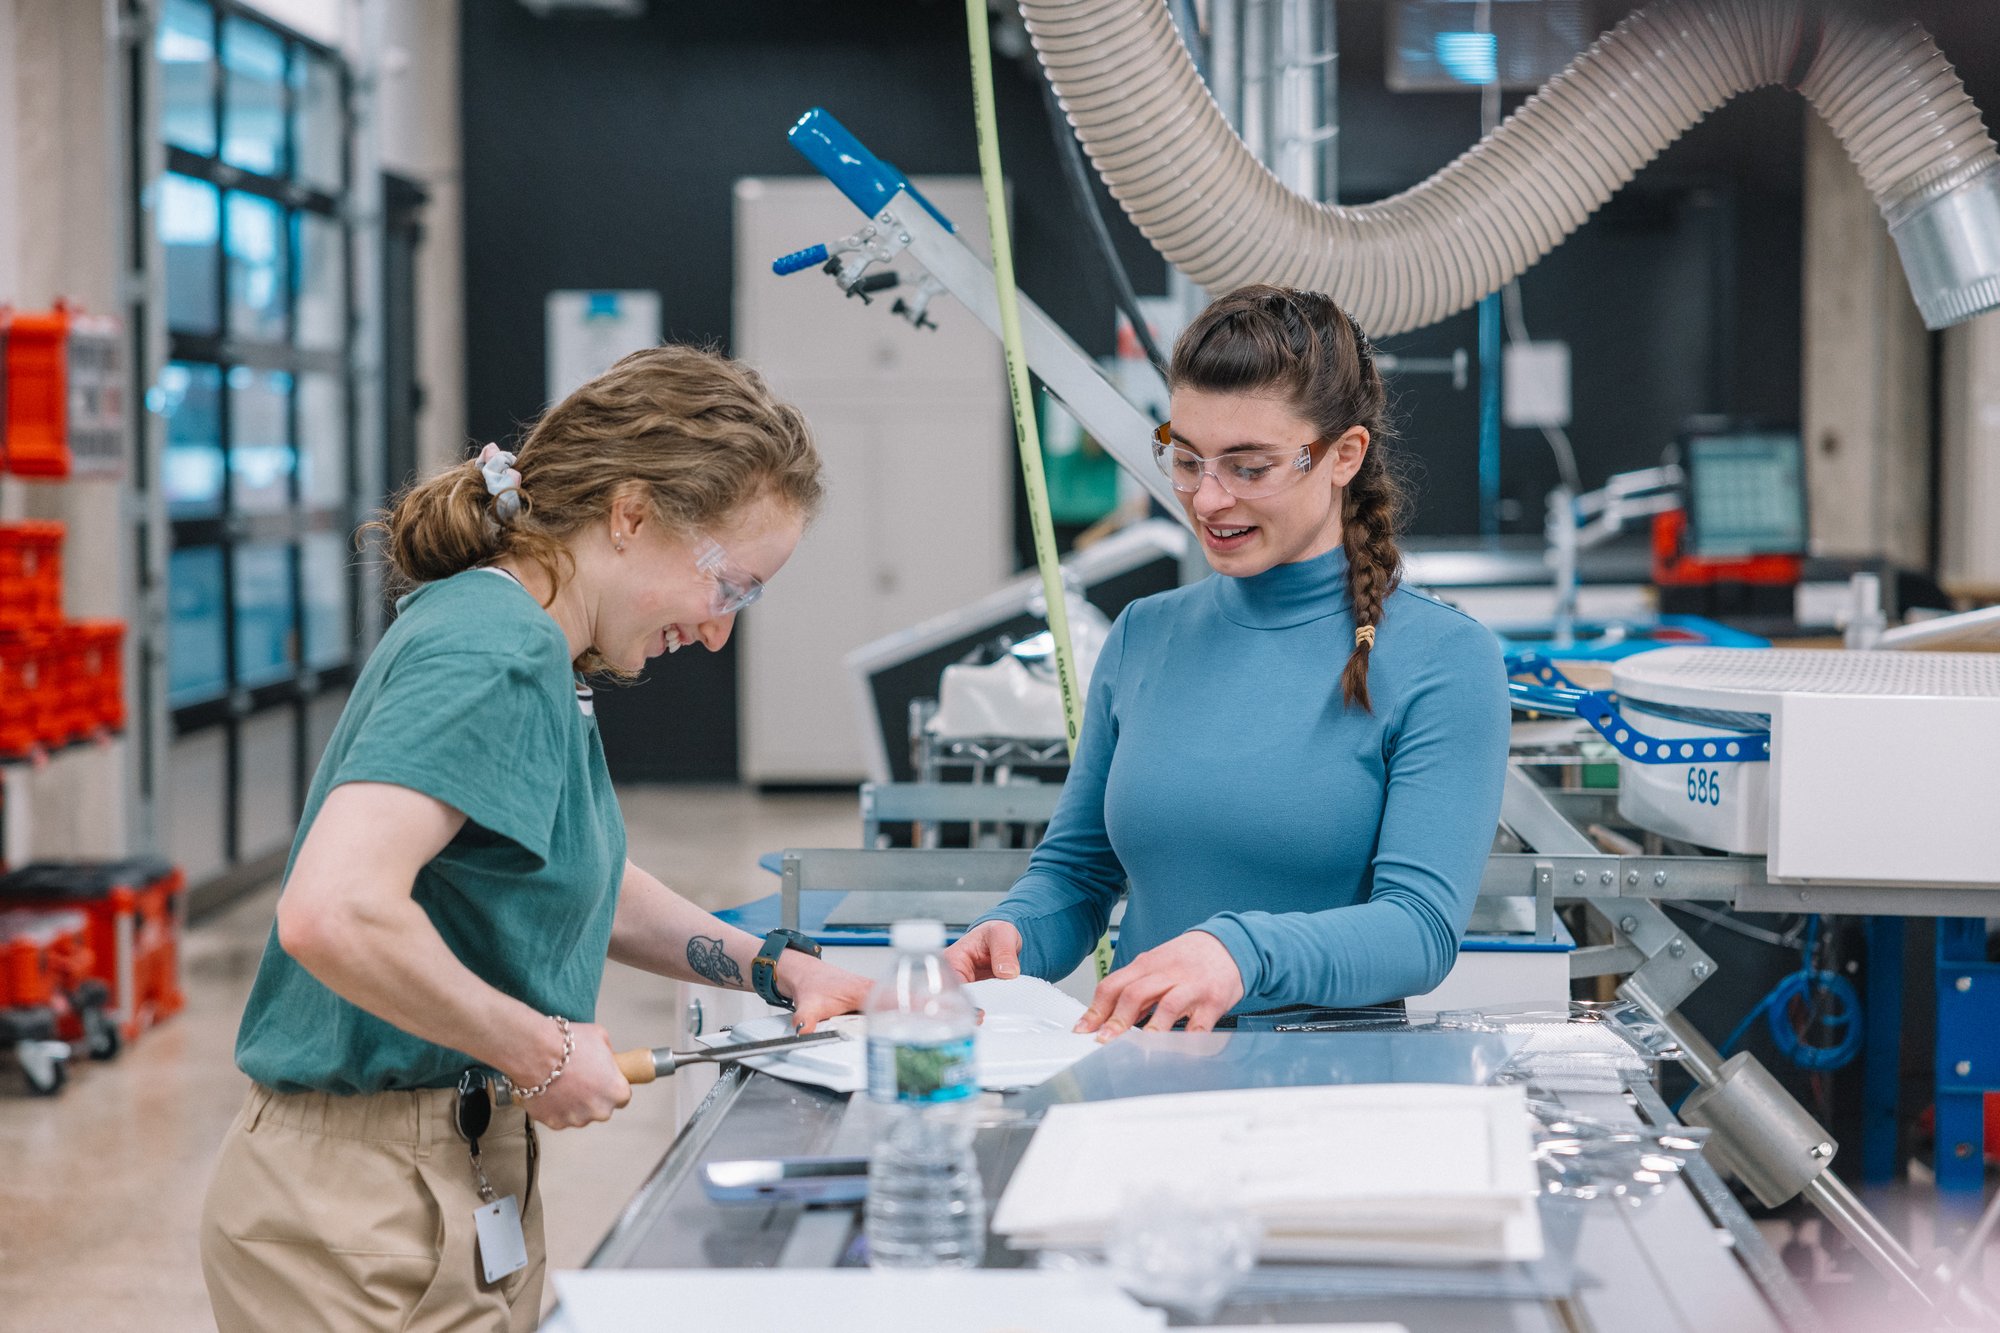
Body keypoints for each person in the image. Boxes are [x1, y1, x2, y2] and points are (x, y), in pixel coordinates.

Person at [200, 344, 873, 1331]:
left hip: (445, 1177)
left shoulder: (538, 649)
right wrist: (539, 1050)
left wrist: (775, 969)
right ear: (632, 514)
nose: (719, 631)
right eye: (726, 586)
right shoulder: (494, 649)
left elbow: (576, 873)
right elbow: (331, 910)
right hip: (361, 1204)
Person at [946, 285, 1509, 1035]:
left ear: (1344, 455)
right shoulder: (1144, 634)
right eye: (1187, 459)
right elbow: (1076, 875)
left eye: (1249, 467)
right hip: (1142, 1074)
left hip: (1332, 1095)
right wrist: (1014, 931)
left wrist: (1240, 952)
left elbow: (1419, 929)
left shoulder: (1445, 659)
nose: (1208, 499)